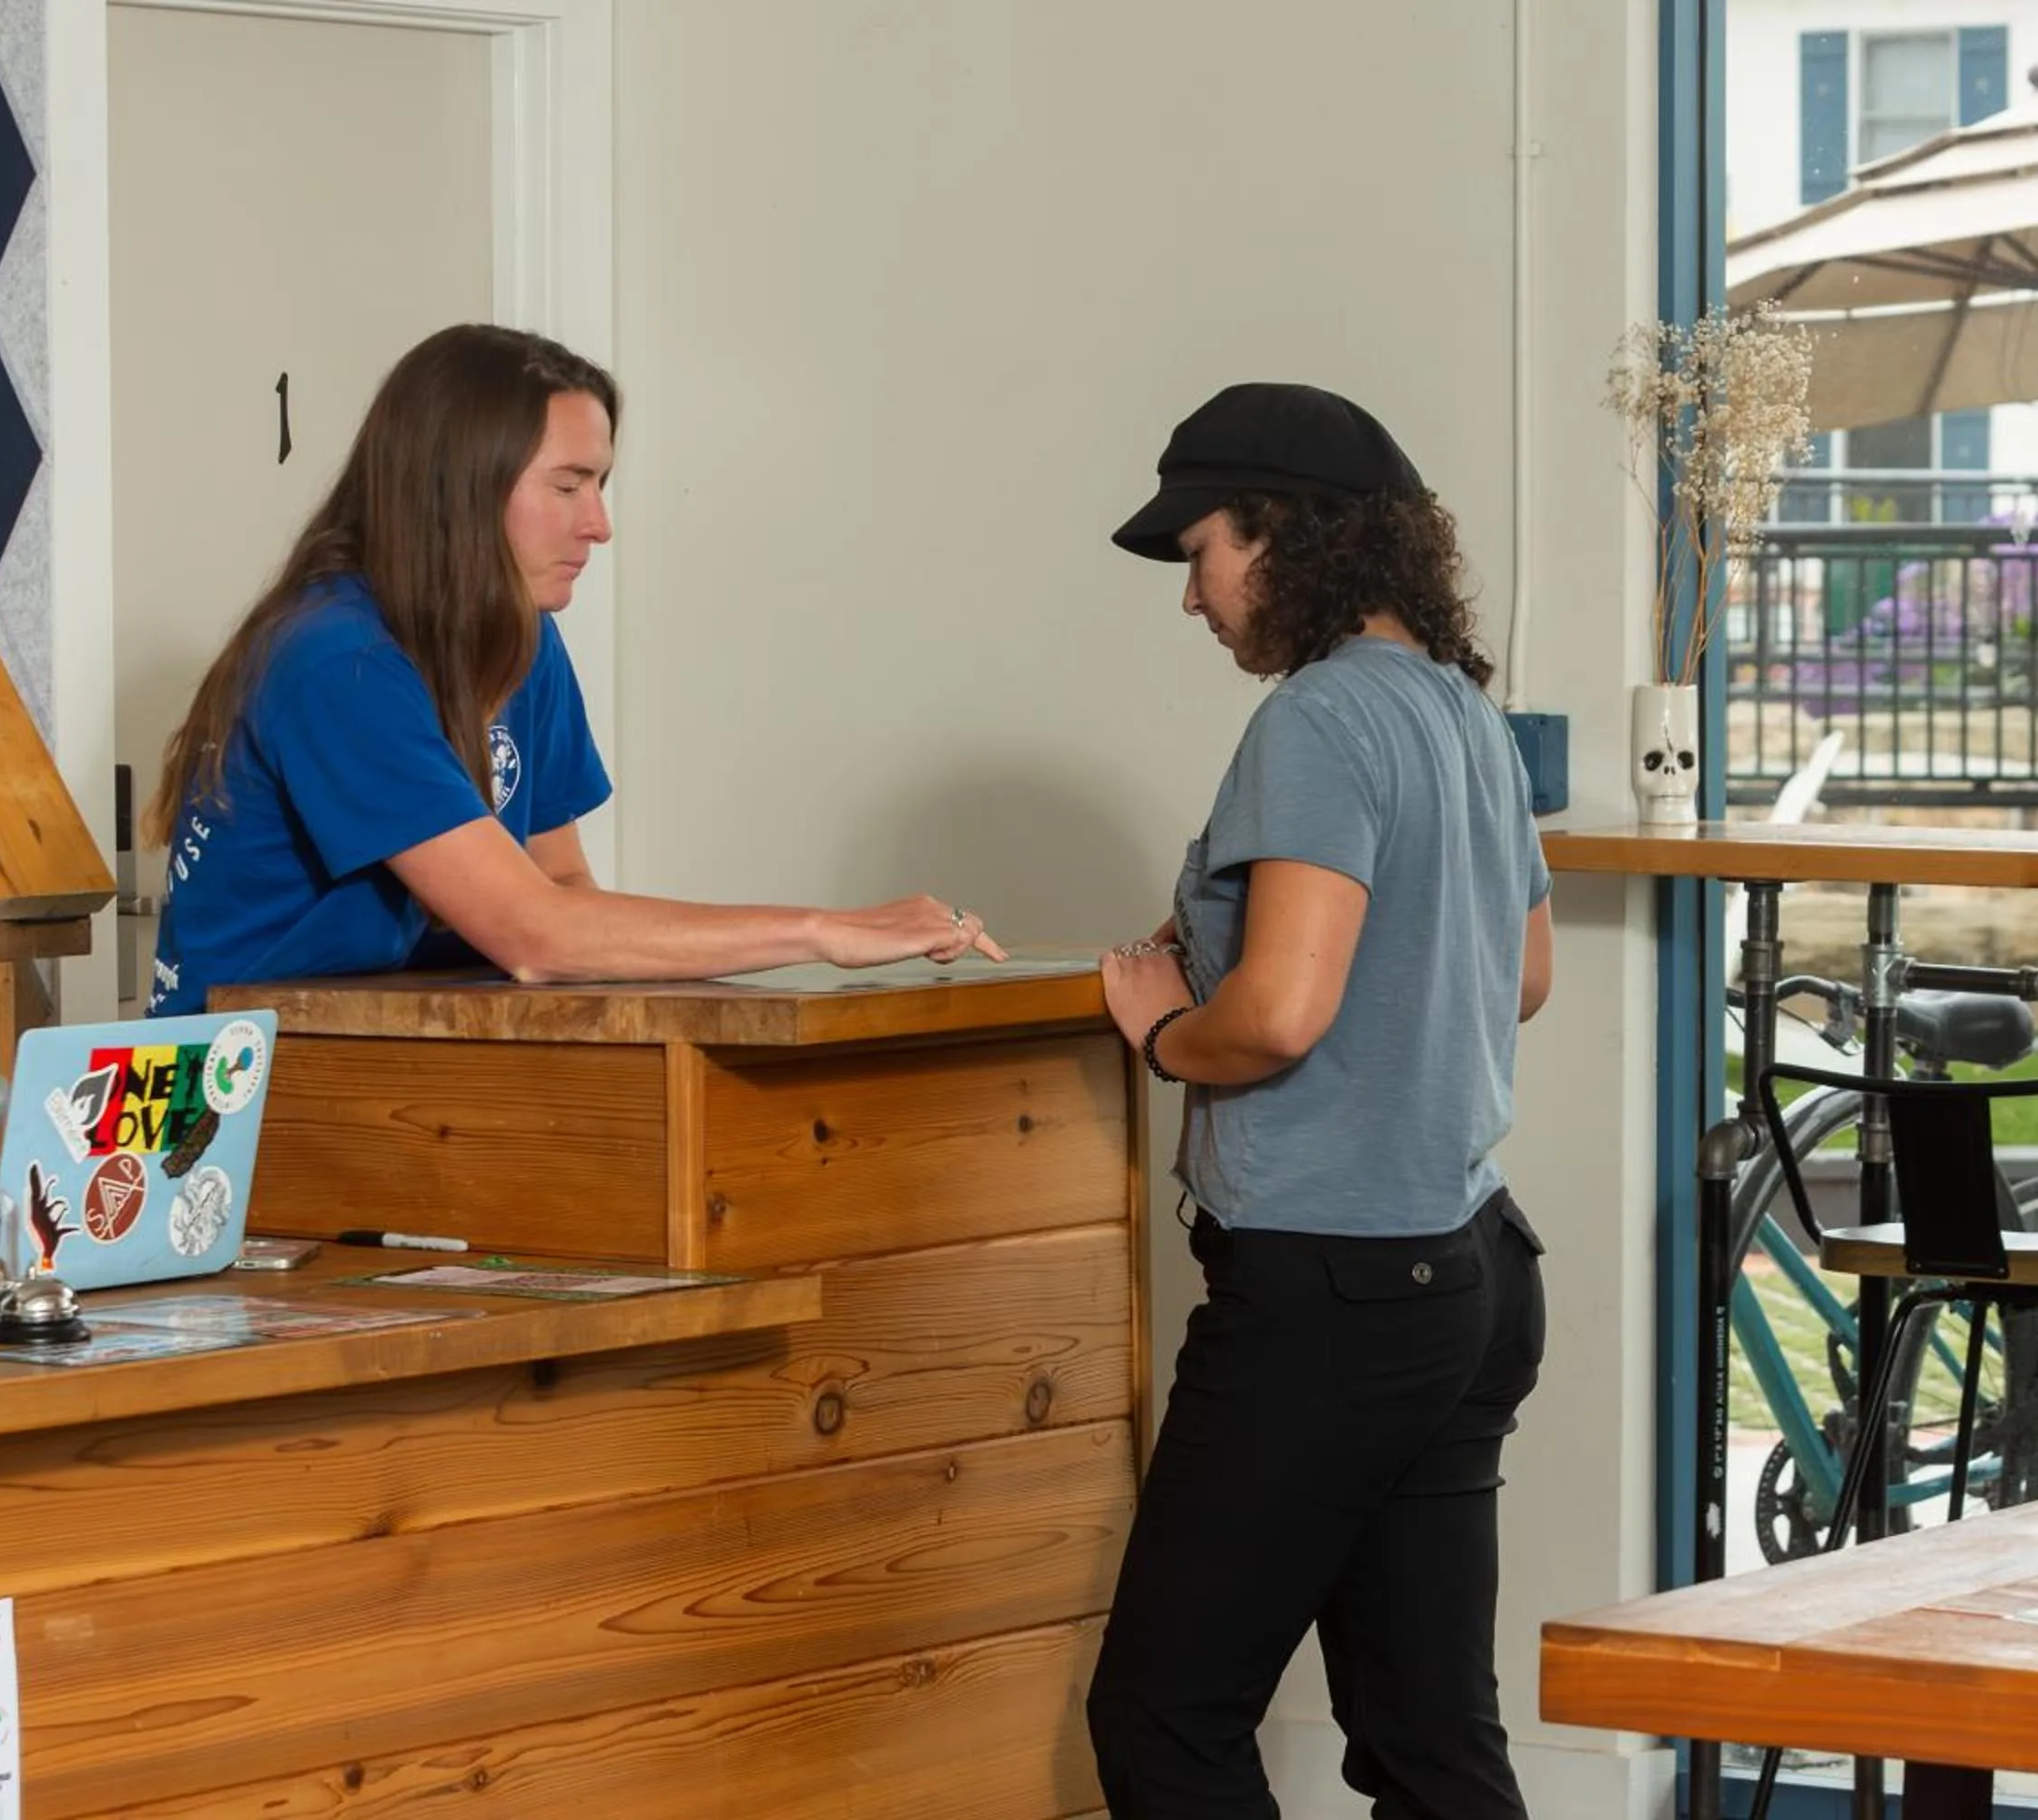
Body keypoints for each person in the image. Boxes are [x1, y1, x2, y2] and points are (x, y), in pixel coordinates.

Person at [1081, 383, 1555, 1819]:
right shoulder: (1462, 709)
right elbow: (1524, 974)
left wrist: (1168, 1031)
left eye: (1203, 552)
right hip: (1468, 1273)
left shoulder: (1321, 718)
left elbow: (1283, 1017)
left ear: (1285, 532)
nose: (1194, 597)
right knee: (1430, 1745)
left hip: (1333, 1292)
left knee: (1164, 1719)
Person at [145, 324, 999, 1013]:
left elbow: (560, 888)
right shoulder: (338, 659)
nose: (599, 524)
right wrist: (822, 932)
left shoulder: (521, 637)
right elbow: (536, 935)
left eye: (601, 485)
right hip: (218, 1104)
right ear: (460, 489)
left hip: (387, 1054)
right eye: (568, 486)